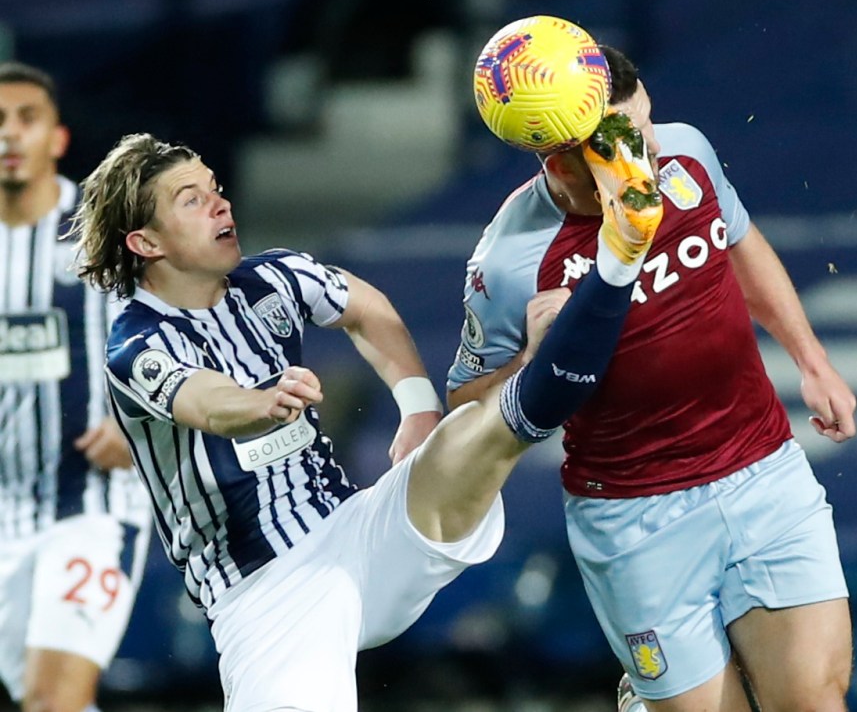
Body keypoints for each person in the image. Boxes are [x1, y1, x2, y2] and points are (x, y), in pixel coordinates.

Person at [71, 129, 661, 711]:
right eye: (192, 199)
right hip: (265, 592)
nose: (220, 202)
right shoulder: (135, 343)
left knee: (465, 436)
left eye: (215, 187)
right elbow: (205, 402)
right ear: (146, 243)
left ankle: (579, 314)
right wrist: (261, 404)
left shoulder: (269, 277)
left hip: (359, 532)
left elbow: (366, 308)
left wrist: (418, 407)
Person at [447, 45, 857, 712]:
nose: (650, 153)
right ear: (561, 161)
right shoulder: (509, 262)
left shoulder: (684, 151)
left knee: (813, 700)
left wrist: (811, 360)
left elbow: (740, 241)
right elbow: (463, 402)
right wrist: (531, 362)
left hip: (764, 471)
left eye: (647, 126)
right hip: (637, 518)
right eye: (624, 142)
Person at [0, 62, 151, 712]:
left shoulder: (108, 230)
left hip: (91, 504)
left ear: (57, 138)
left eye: (25, 119)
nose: (8, 134)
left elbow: (195, 328)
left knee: (52, 700)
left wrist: (138, 416)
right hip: (4, 510)